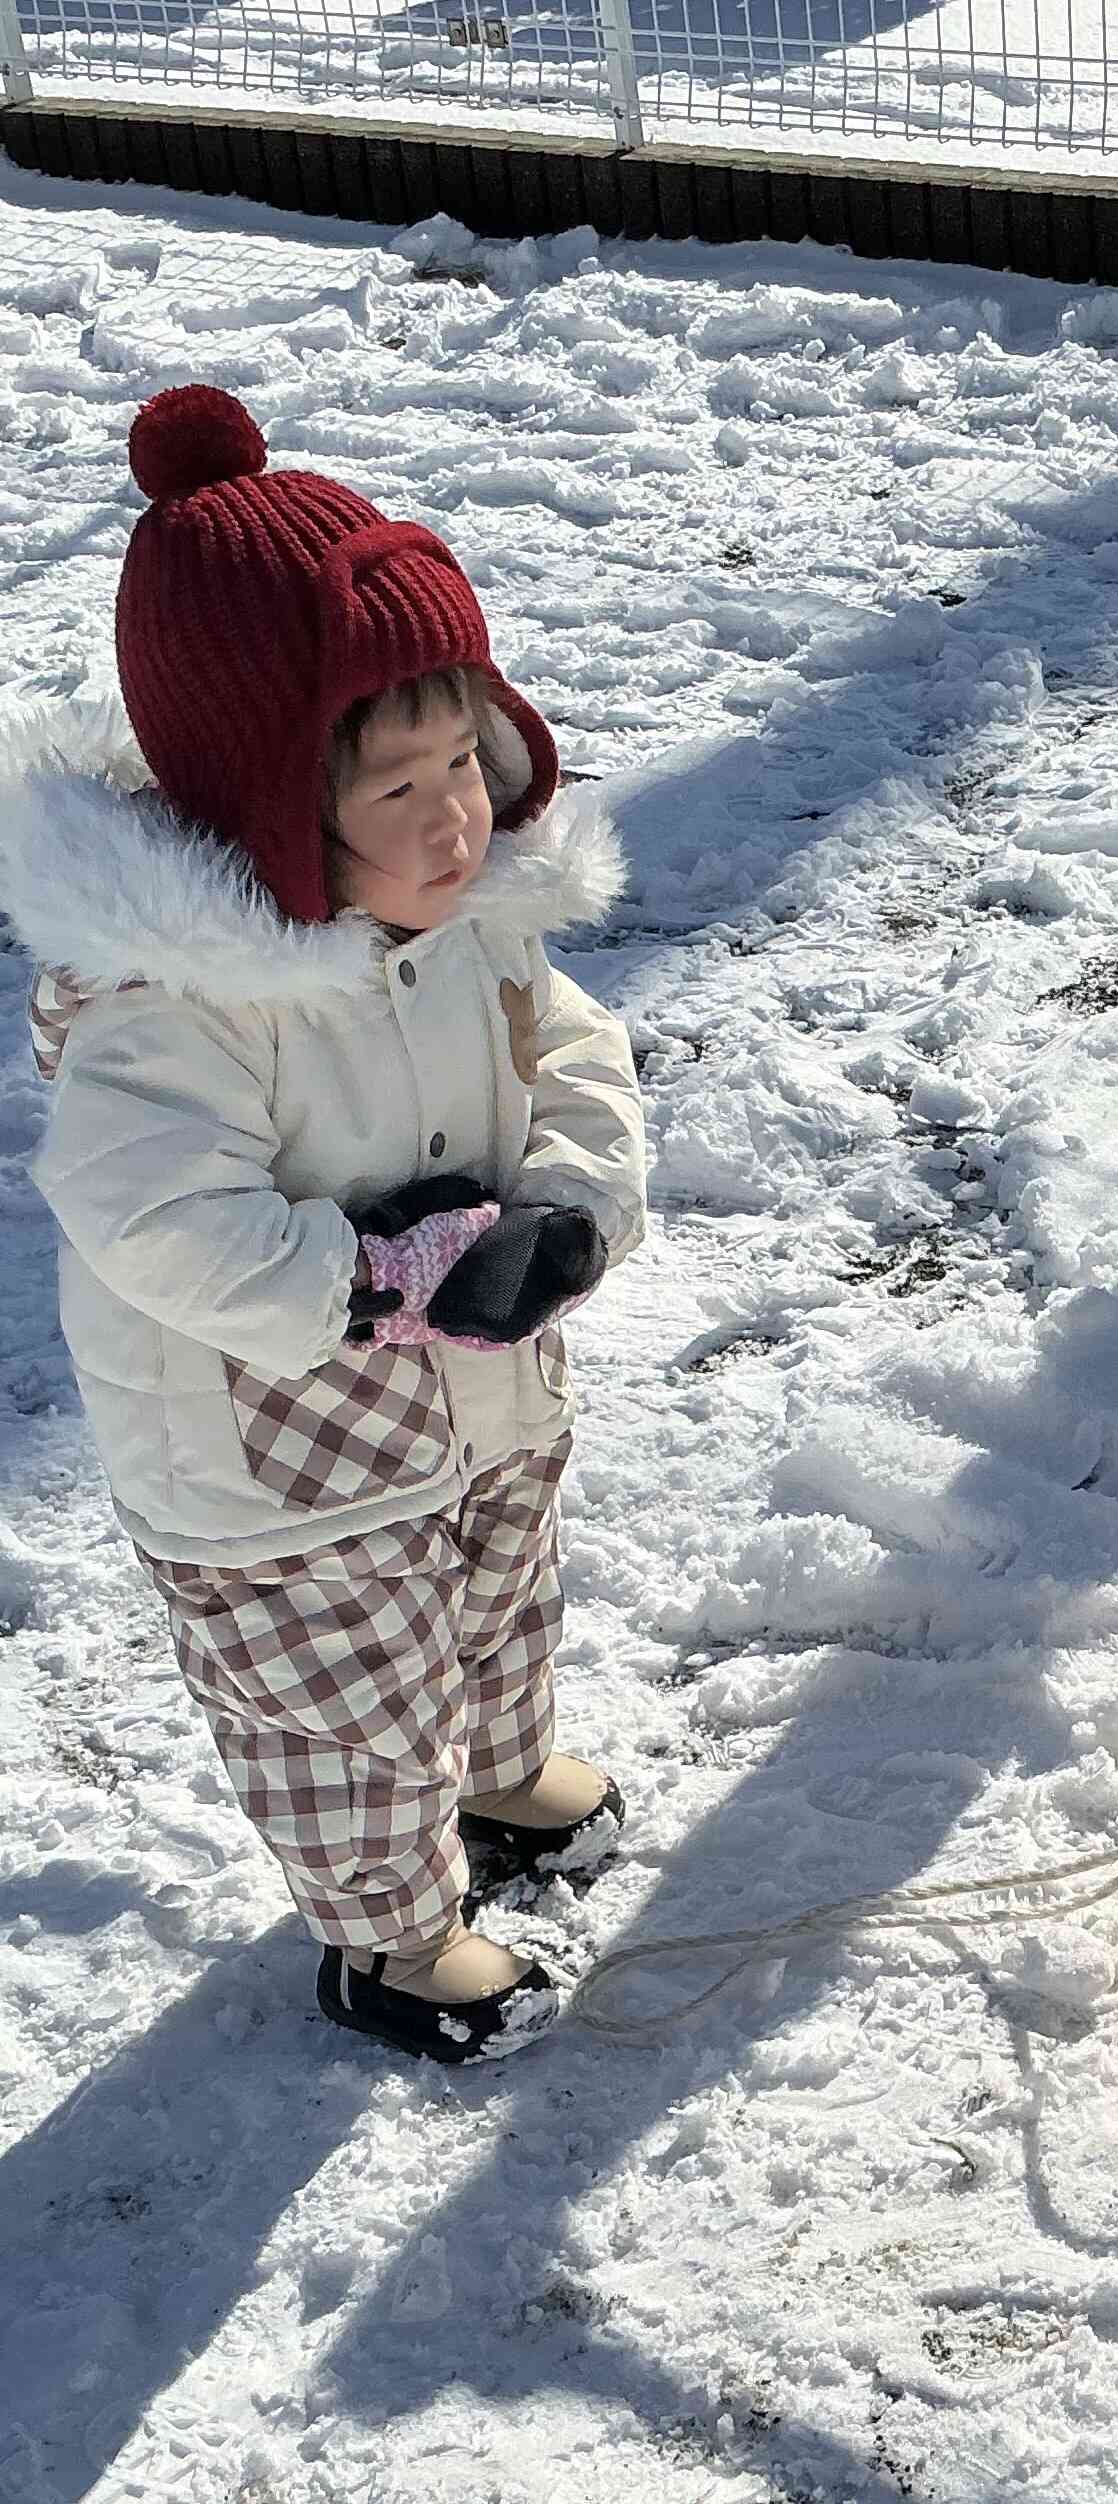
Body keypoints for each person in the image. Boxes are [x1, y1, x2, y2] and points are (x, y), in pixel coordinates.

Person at [0, 386, 647, 2065]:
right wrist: (377, 1279)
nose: (454, 822)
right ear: (269, 805)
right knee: (346, 1703)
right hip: (267, 1455)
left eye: (468, 765)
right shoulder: (175, 1009)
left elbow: (569, 1050)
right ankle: (390, 1938)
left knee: (503, 1591)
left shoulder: (472, 913)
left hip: (483, 1401)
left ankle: (499, 1777)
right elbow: (155, 1221)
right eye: (396, 790)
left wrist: (568, 1201)